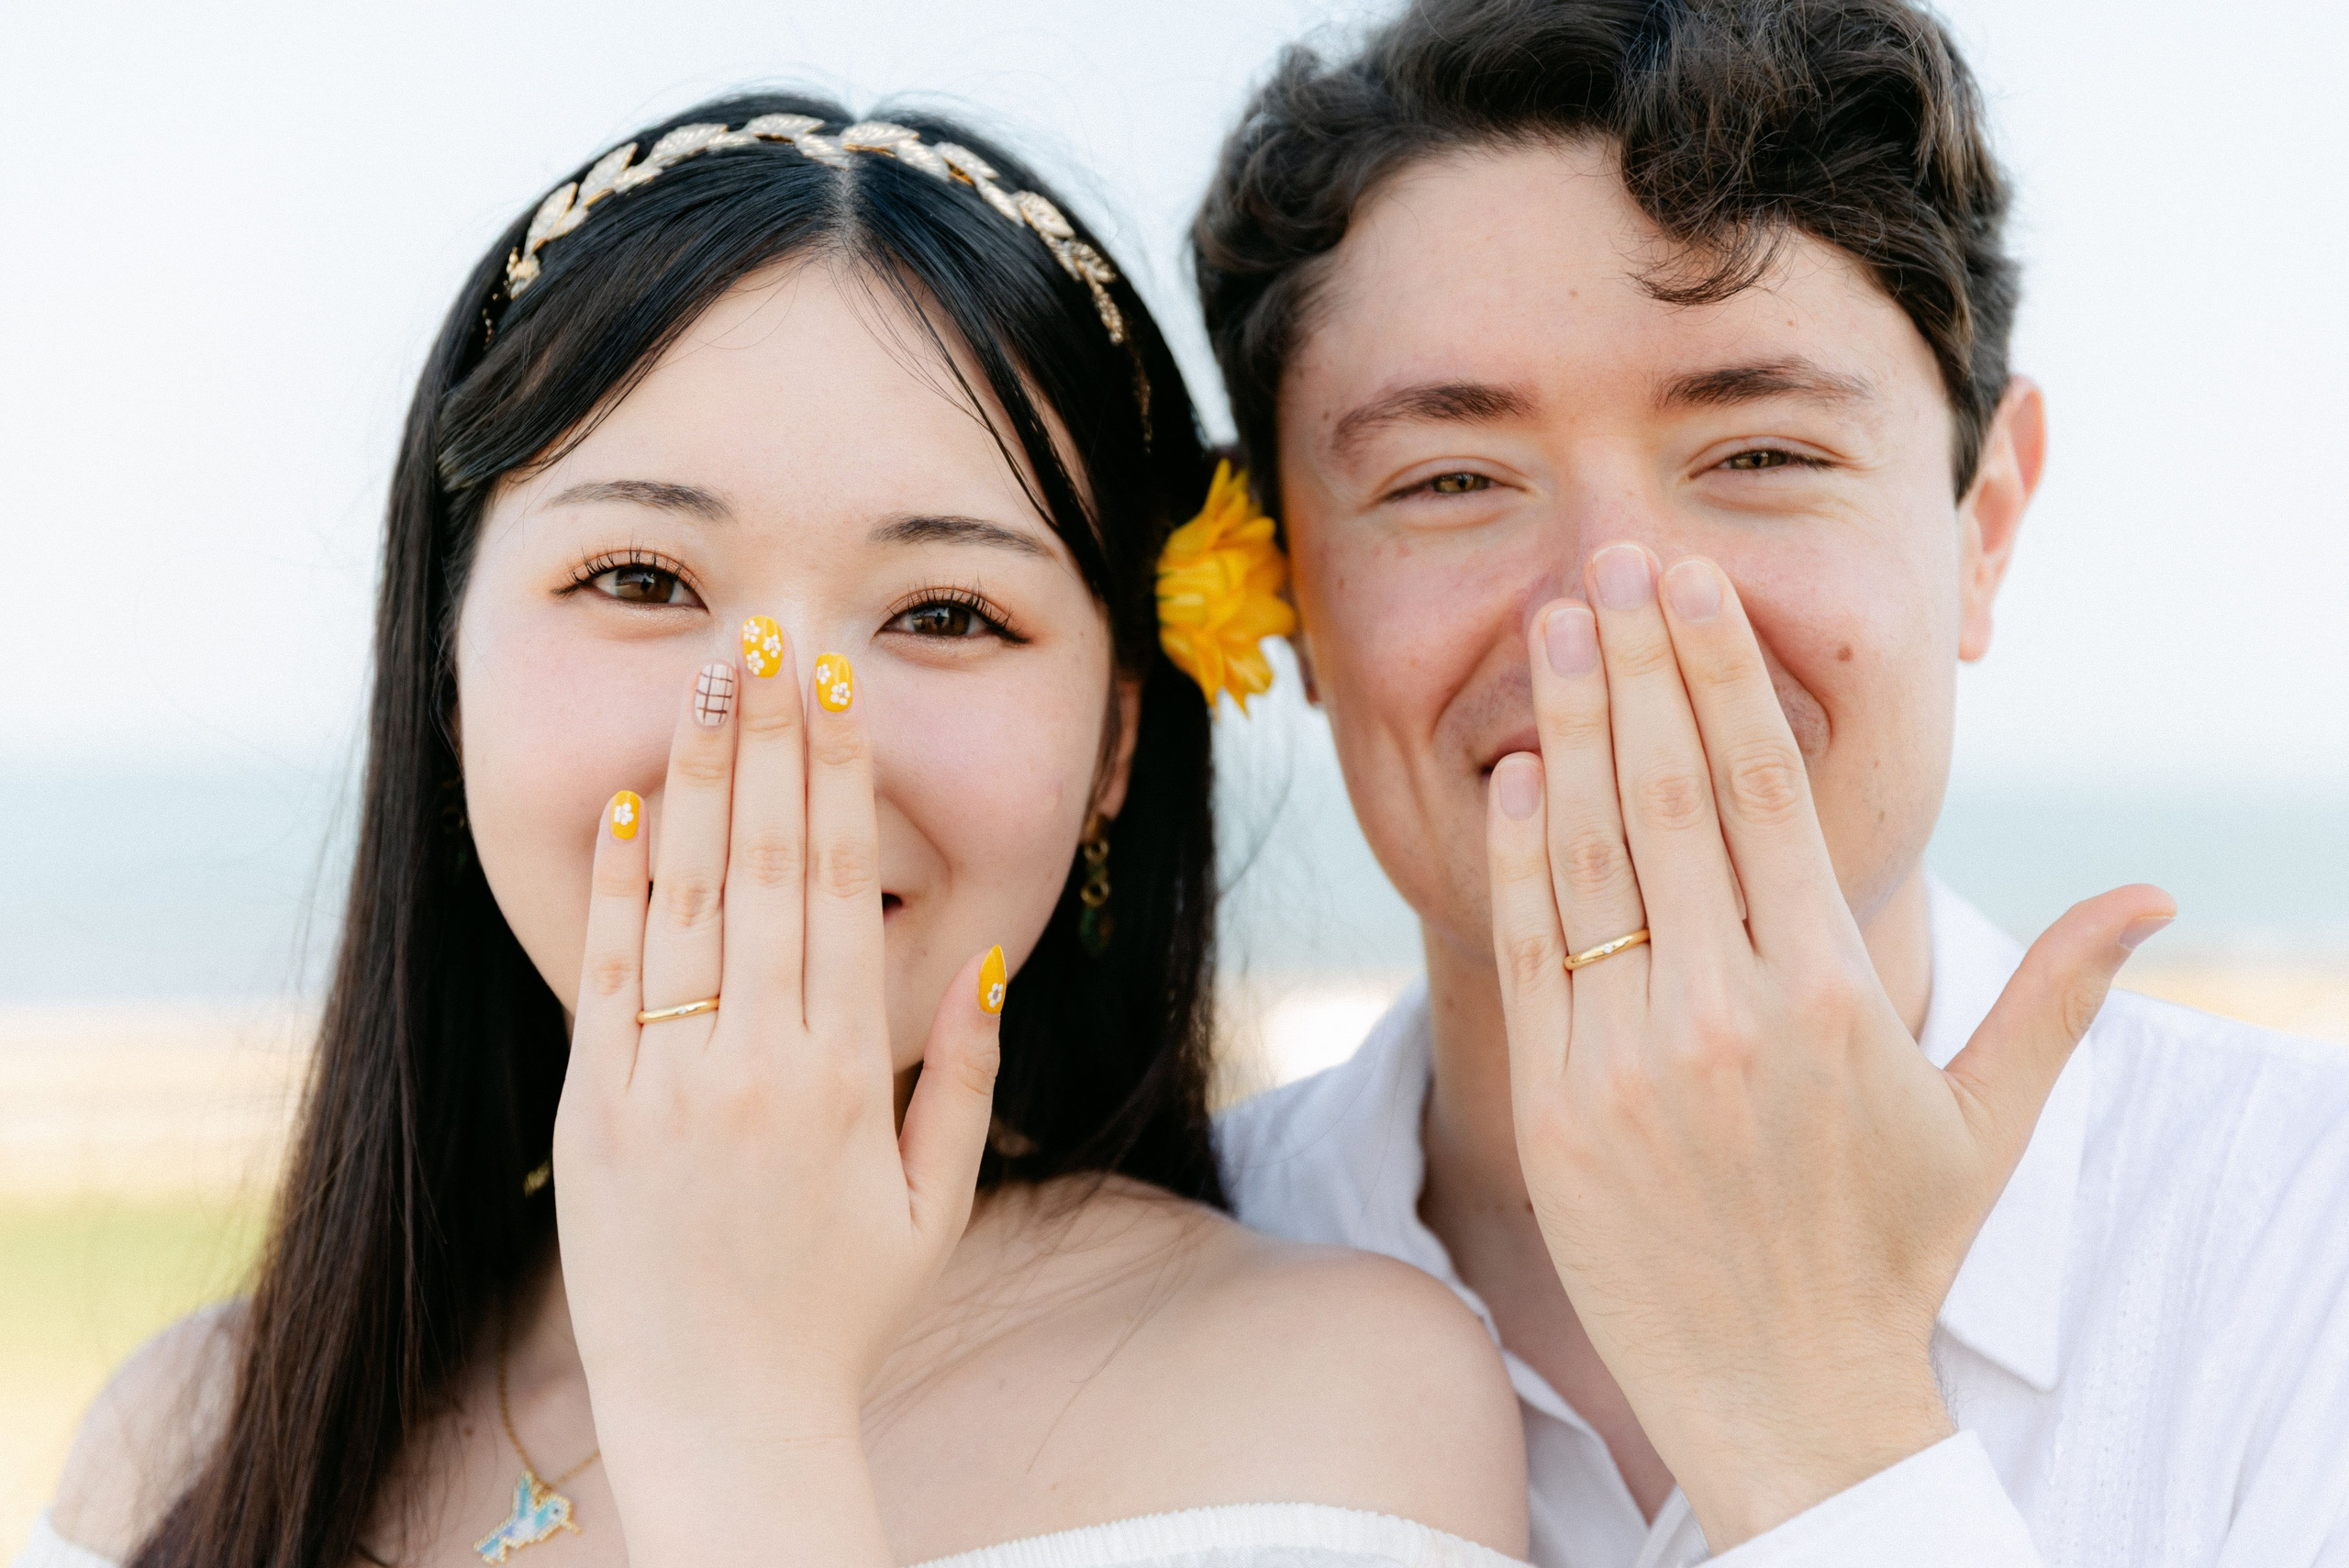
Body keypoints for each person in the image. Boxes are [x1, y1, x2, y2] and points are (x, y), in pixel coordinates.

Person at [27, 95, 1531, 1568]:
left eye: (946, 612)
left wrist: (740, 1415)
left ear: (1117, 740)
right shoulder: (189, 1434)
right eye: (641, 578)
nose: (779, 732)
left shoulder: (1320, 1400)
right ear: (444, 661)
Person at [1197, 2, 2349, 1564]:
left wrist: (1819, 1426)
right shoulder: (1138, 1275)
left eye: (1761, 453)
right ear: (1292, 598)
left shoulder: (2303, 1241)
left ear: (1985, 522)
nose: (1609, 607)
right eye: (1451, 480)